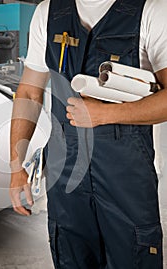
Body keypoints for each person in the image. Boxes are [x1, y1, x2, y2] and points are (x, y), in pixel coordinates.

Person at [9, 0, 167, 268]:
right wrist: (16, 167)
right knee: (71, 258)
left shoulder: (152, 10)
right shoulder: (48, 12)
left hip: (125, 176)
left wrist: (106, 115)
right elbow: (29, 92)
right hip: (65, 174)